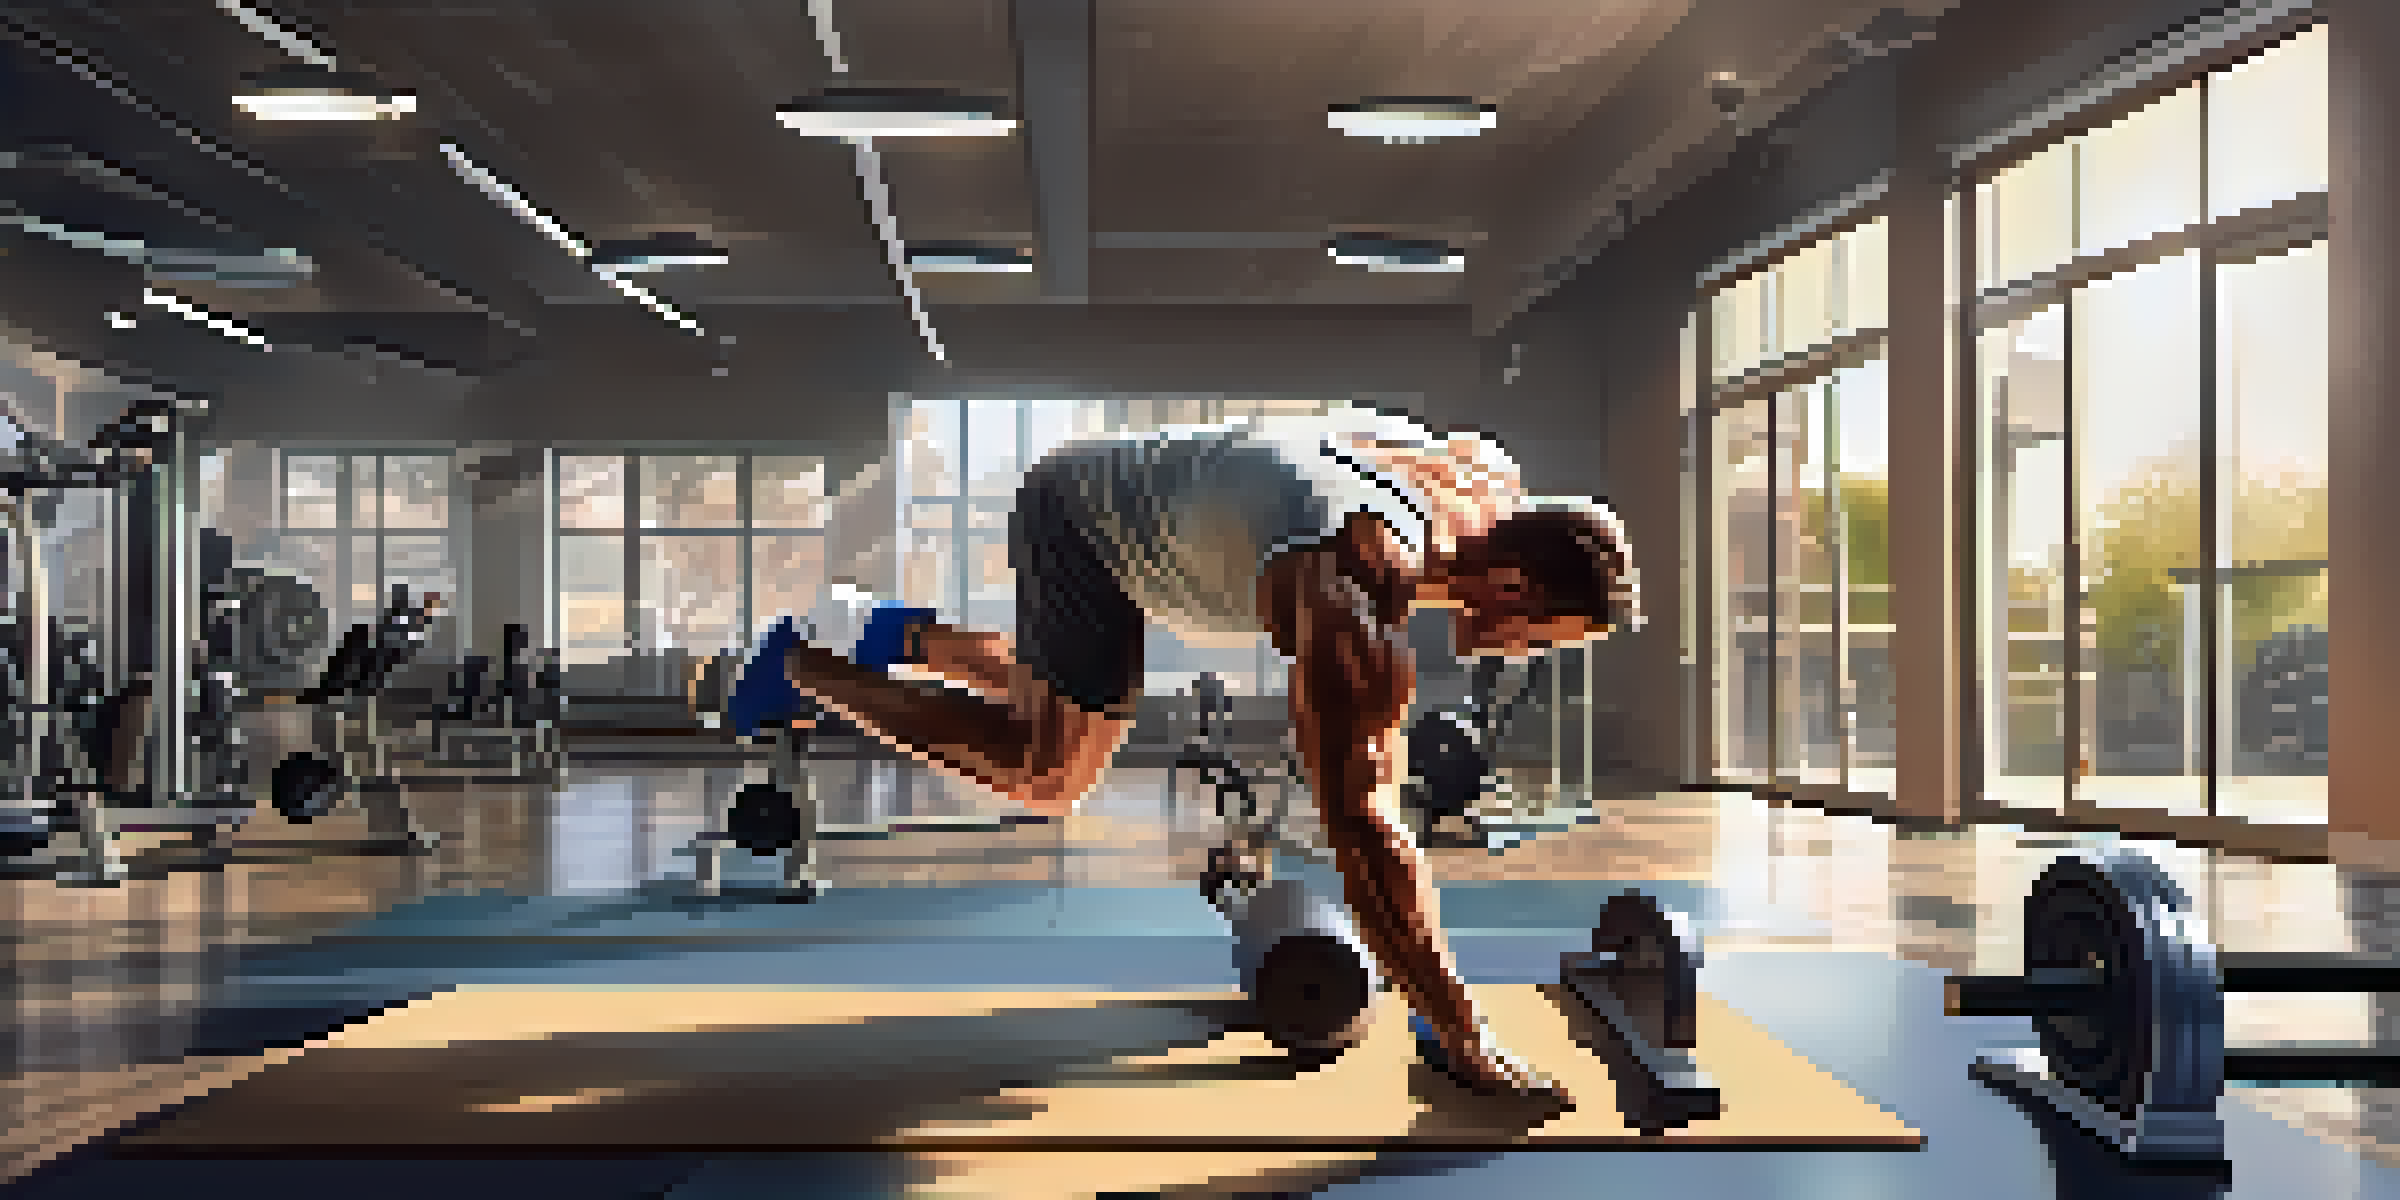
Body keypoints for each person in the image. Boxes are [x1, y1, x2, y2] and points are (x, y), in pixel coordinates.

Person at [782, 408, 1640, 1109]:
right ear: (1516, 586)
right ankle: (801, 665)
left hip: (1139, 485)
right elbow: (1363, 825)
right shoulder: (1352, 586)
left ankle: (888, 627)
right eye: (1539, 635)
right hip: (1088, 524)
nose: (1523, 653)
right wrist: (1462, 1030)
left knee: (1060, 698)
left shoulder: (1486, 486)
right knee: (1052, 772)